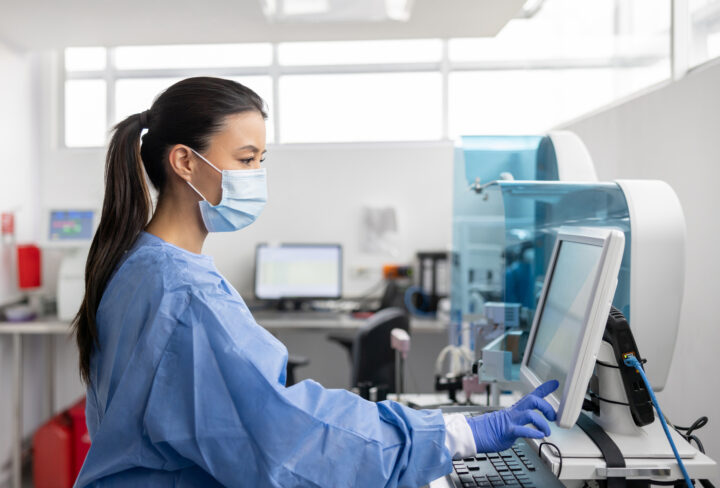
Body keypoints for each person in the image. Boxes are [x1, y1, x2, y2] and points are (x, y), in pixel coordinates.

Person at [72, 77, 558, 488]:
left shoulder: (137, 263)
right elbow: (287, 436)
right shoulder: (183, 292)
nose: (257, 176)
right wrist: (457, 436)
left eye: (262, 159)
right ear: (184, 162)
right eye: (245, 160)